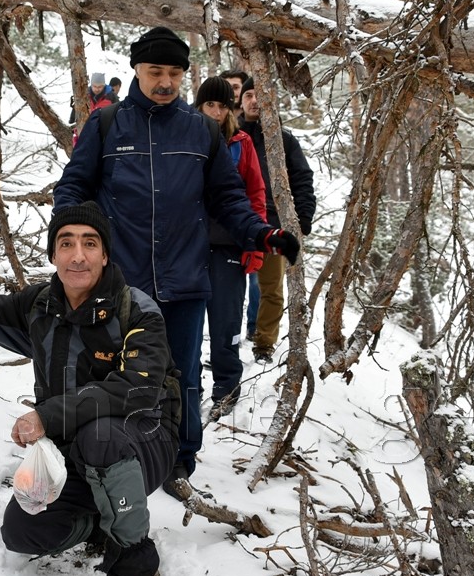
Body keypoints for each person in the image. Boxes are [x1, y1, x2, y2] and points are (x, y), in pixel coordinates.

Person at [54, 26, 300, 498]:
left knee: (183, 375)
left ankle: (180, 459)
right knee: (110, 372)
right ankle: (108, 455)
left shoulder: (202, 130)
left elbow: (229, 198)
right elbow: (73, 186)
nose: (165, 82)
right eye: (155, 72)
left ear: (184, 75)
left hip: (185, 280)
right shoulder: (106, 126)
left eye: (173, 73)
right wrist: (69, 240)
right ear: (137, 72)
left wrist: (263, 232)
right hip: (119, 283)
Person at [0, 202, 179, 576]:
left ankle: (138, 572)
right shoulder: (40, 305)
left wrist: (47, 415)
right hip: (71, 453)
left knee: (101, 437)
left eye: (89, 244)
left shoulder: (137, 310)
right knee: (23, 533)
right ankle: (104, 523)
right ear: (54, 254)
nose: (78, 255)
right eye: (67, 243)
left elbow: (137, 389)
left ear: (105, 254)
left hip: (145, 442)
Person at [193, 77, 267, 421]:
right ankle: (186, 388)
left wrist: (254, 244)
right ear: (200, 106)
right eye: (211, 105)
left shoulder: (241, 143)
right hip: (187, 246)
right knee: (186, 326)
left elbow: (255, 195)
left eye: (223, 106)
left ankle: (227, 388)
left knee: (225, 326)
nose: (217, 112)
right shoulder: (185, 137)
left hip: (228, 247)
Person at [238, 76, 317, 363]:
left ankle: (263, 344)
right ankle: (229, 342)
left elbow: (302, 179)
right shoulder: (230, 133)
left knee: (269, 288)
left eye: (260, 95)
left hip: (271, 224)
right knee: (231, 290)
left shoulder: (283, 139)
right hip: (234, 223)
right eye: (248, 95)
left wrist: (303, 216)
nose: (254, 101)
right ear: (241, 100)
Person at [220, 70, 260, 340]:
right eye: (229, 88)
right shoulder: (197, 131)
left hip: (249, 225)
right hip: (206, 236)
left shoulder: (244, 138)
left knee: (256, 286)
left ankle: (254, 333)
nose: (233, 93)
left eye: (237, 88)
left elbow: (256, 187)